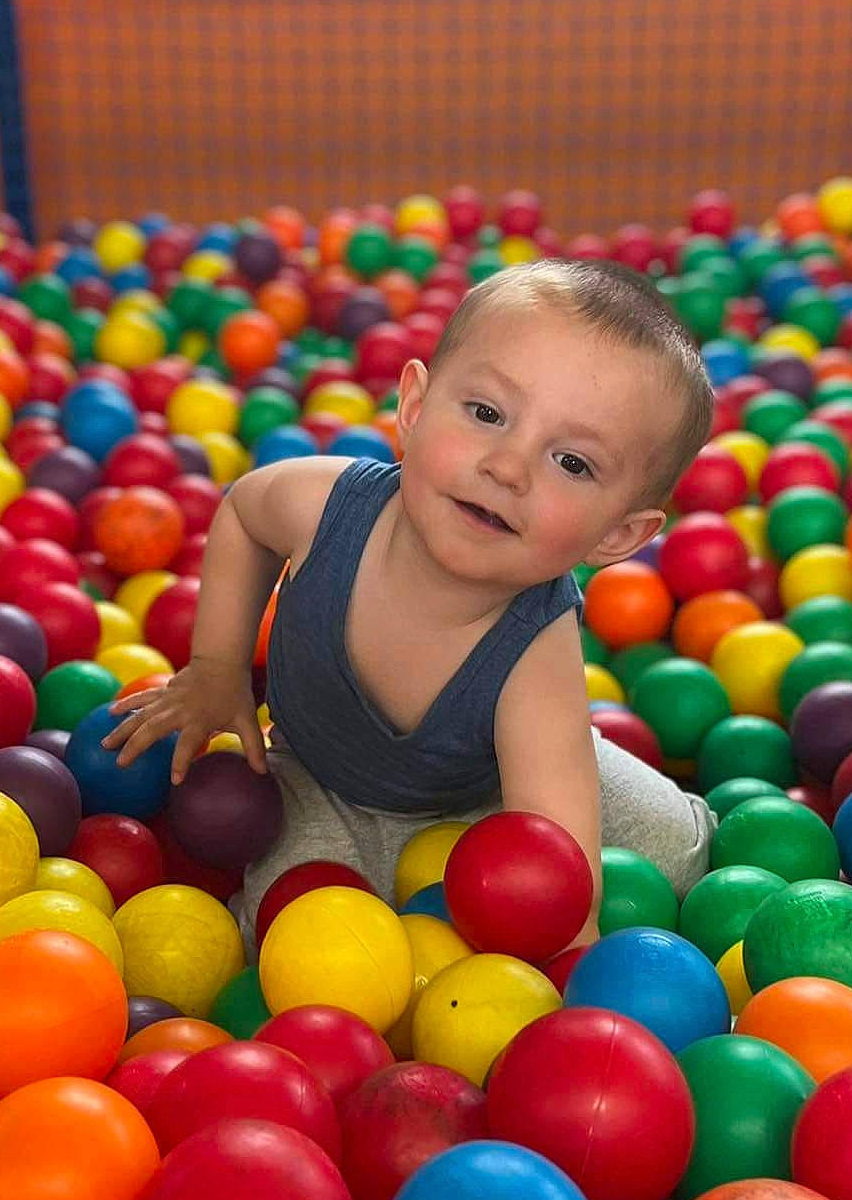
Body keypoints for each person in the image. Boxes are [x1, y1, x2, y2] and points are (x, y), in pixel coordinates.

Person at [104, 257, 718, 948]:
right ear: (415, 407)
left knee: (673, 850)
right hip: (319, 780)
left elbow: (558, 862)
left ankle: (613, 774)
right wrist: (215, 669)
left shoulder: (536, 652)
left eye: (572, 462)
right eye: (487, 414)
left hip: (491, 795)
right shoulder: (326, 508)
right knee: (295, 942)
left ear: (618, 535)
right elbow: (244, 514)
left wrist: (567, 965)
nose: (507, 467)